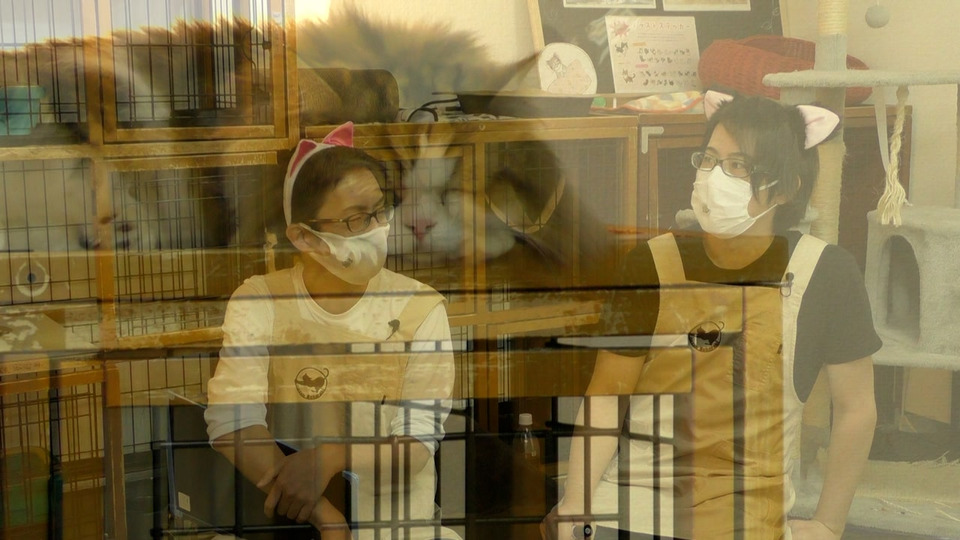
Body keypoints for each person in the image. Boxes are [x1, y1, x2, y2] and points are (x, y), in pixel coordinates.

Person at [542, 91, 879, 539]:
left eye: (739, 166)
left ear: (785, 189)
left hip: (744, 510)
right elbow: (606, 396)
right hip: (635, 499)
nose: (715, 176)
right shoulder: (649, 263)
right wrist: (574, 504)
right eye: (709, 160)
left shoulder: (826, 272)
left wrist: (829, 524)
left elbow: (856, 408)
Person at [204, 122, 457, 540]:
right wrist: (325, 517)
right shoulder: (261, 301)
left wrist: (331, 458)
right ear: (305, 237)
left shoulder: (419, 308)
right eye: (357, 219)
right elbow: (232, 421)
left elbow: (416, 445)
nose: (378, 228)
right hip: (298, 528)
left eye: (381, 211)